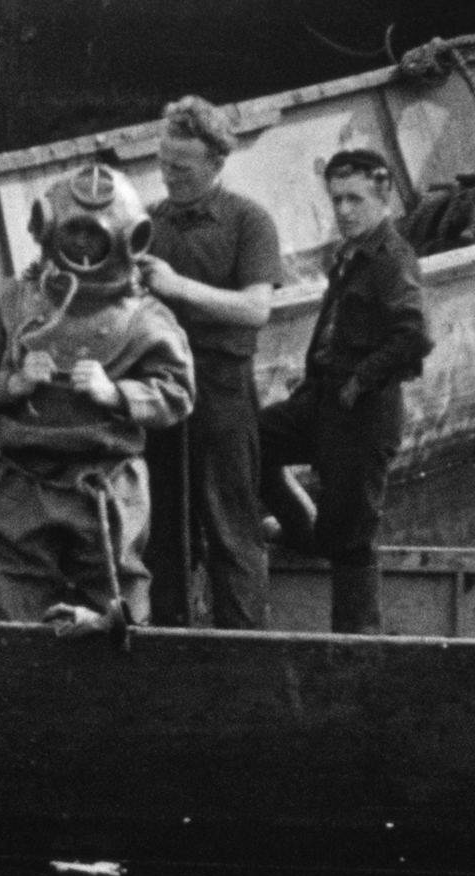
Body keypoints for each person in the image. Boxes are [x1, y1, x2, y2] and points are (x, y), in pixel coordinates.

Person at [0, 163, 194, 625]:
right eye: (73, 232)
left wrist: (116, 393)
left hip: (107, 484)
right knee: (14, 601)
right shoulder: (12, 301)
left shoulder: (144, 316)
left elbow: (178, 392)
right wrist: (10, 384)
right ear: (47, 228)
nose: (81, 245)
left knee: (118, 606)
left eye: (93, 235)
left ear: (129, 238)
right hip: (22, 480)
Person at [259, 148, 433, 633]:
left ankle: (356, 649)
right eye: (336, 200)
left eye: (354, 199)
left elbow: (415, 334)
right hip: (322, 403)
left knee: (353, 544)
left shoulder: (391, 259)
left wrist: (360, 379)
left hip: (363, 415)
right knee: (248, 441)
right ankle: (303, 533)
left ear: (383, 196)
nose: (343, 211)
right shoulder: (350, 256)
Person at [139, 96, 284, 629]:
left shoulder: (249, 221)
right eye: (163, 163)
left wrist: (178, 288)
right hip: (156, 392)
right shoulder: (146, 223)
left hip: (221, 393)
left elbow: (255, 308)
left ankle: (243, 647)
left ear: (216, 164)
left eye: (181, 167)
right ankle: (171, 642)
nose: (168, 176)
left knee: (231, 530)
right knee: (164, 534)